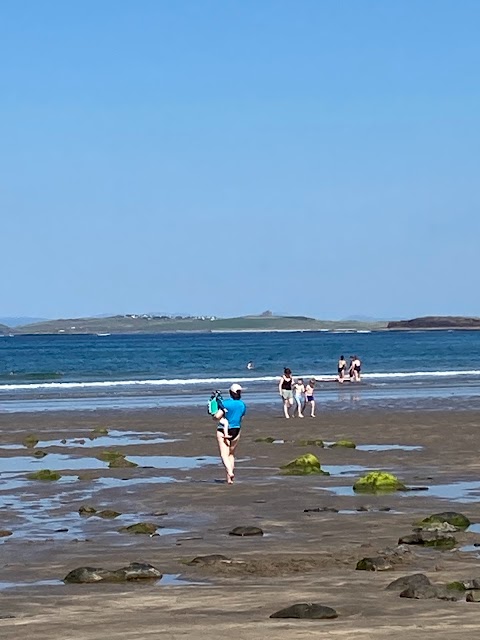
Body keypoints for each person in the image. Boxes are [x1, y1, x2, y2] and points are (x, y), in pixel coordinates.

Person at [214, 383, 246, 484]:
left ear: (230, 392)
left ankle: (230, 472)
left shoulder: (225, 403)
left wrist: (214, 415)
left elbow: (217, 416)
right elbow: (241, 417)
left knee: (224, 454)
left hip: (223, 429)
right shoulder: (242, 404)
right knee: (231, 454)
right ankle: (229, 479)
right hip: (236, 430)